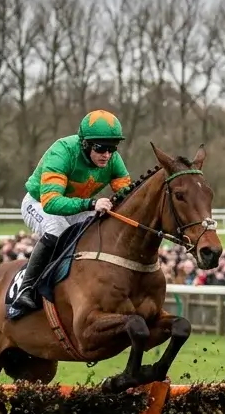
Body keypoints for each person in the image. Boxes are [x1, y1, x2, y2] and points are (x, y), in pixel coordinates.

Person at [11, 110, 133, 315]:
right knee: (57, 229)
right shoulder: (62, 152)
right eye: (101, 148)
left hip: (76, 204)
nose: (107, 155)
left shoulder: (112, 159)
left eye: (113, 148)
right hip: (39, 202)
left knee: (101, 227)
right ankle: (26, 288)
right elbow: (51, 203)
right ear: (85, 143)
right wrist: (91, 203)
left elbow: (127, 194)